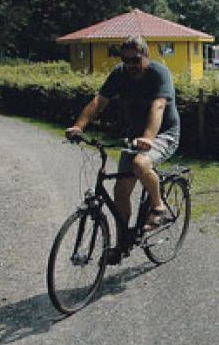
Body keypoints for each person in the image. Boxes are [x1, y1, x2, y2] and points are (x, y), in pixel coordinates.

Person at [65, 35, 180, 263]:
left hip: (164, 133)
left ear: (146, 56)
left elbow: (158, 106)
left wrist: (148, 138)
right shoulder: (120, 74)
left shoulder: (159, 73)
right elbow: (99, 101)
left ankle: (159, 208)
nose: (130, 65)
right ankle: (122, 244)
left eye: (135, 59)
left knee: (140, 163)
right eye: (125, 60)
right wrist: (78, 126)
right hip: (133, 138)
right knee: (120, 191)